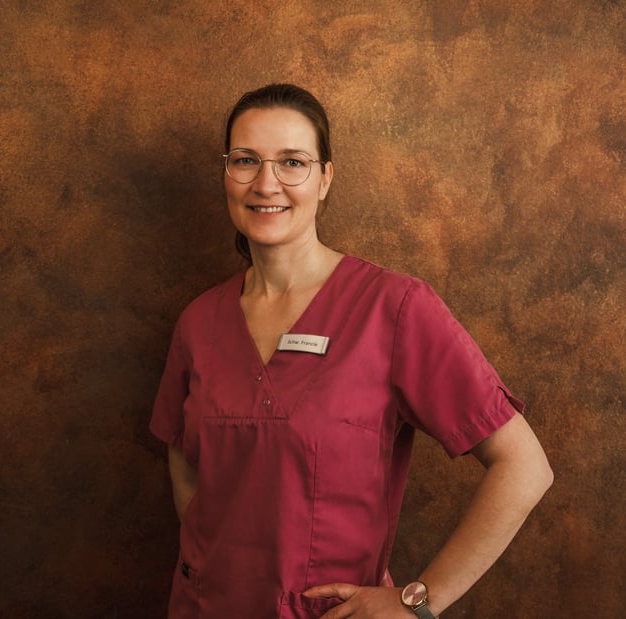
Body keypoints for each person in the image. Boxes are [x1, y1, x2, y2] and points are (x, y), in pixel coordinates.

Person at [150, 83, 553, 619]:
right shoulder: (199, 322)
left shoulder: (394, 308)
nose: (266, 183)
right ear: (227, 173)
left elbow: (524, 466)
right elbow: (184, 458)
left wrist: (418, 602)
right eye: (245, 160)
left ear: (325, 179)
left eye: (292, 162)